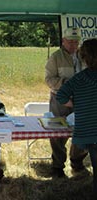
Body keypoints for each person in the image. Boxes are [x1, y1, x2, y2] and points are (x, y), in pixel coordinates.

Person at [45, 27, 88, 177]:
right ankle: (57, 166)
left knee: (82, 130)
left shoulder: (85, 55)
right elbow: (49, 80)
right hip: (60, 100)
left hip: (81, 99)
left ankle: (77, 162)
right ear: (63, 41)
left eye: (76, 42)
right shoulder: (55, 57)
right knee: (58, 133)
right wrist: (66, 83)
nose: (73, 45)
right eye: (70, 42)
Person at [56, 38, 97, 197]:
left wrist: (79, 104)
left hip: (90, 132)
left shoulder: (79, 79)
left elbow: (61, 96)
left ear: (84, 58)